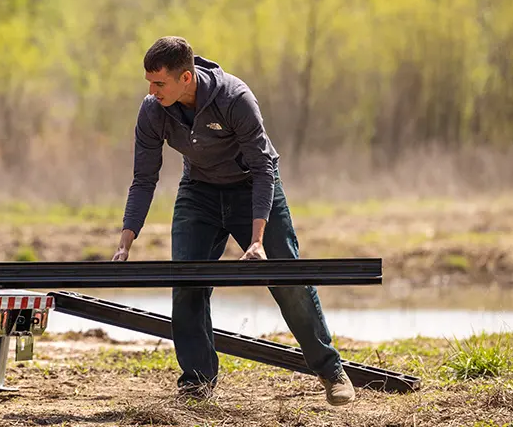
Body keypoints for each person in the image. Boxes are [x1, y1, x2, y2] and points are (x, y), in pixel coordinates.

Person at [112, 36, 355, 405]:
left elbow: (262, 169)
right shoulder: (152, 110)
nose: (152, 90)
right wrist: (125, 241)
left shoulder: (235, 98)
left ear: (186, 78)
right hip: (199, 192)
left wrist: (257, 240)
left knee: (289, 279)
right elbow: (144, 178)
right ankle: (197, 384)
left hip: (252, 187)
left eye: (159, 82)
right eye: (149, 82)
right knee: (187, 283)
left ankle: (331, 371)